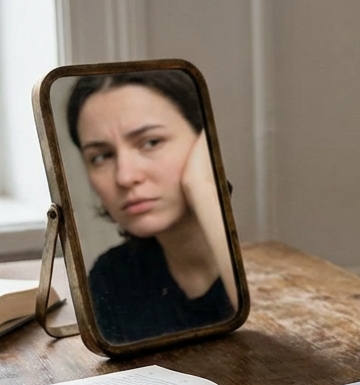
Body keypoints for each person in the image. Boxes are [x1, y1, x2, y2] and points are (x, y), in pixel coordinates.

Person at [66, 71, 237, 344]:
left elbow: (281, 358)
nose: (125, 176)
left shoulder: (272, 263)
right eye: (101, 156)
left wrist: (204, 187)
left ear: (204, 145)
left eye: (151, 142)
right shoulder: (113, 277)